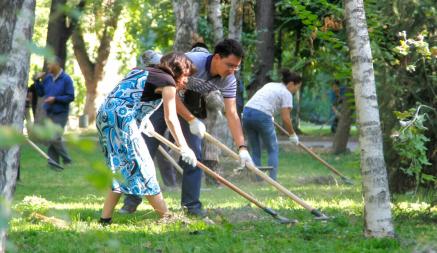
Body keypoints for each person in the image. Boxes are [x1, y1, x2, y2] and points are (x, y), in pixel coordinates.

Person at [121, 39, 254, 217]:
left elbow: (232, 113)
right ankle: (131, 201)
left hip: (190, 106)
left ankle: (191, 206)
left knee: (194, 156)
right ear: (216, 58)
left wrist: (242, 148)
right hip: (161, 101)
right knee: (144, 151)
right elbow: (169, 92)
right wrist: (191, 120)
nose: (232, 70)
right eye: (229, 65)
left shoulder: (229, 80)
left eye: (236, 67)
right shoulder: (192, 61)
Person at [96, 52, 197, 225]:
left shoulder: (143, 71)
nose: (186, 81)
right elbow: (171, 118)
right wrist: (184, 146)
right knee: (144, 167)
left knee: (121, 168)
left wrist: (143, 121)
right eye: (186, 76)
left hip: (105, 117)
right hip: (123, 120)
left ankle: (105, 220)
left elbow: (131, 95)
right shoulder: (168, 82)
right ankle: (167, 217)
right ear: (178, 70)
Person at [242, 69, 302, 180]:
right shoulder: (286, 93)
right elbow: (286, 118)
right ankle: (272, 180)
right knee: (272, 148)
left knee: (255, 149)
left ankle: (257, 179)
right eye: (296, 88)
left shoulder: (271, 85)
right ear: (291, 84)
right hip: (262, 115)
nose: (295, 91)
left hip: (246, 113)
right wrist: (292, 134)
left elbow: (264, 101)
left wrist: (270, 116)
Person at [34, 57, 75, 168]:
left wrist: (55, 99)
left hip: (61, 113)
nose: (47, 67)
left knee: (54, 137)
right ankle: (53, 164)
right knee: (52, 139)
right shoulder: (47, 78)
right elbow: (41, 93)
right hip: (49, 112)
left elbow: (70, 97)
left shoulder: (66, 79)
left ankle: (67, 159)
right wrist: (37, 81)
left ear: (56, 65)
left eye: (49, 64)